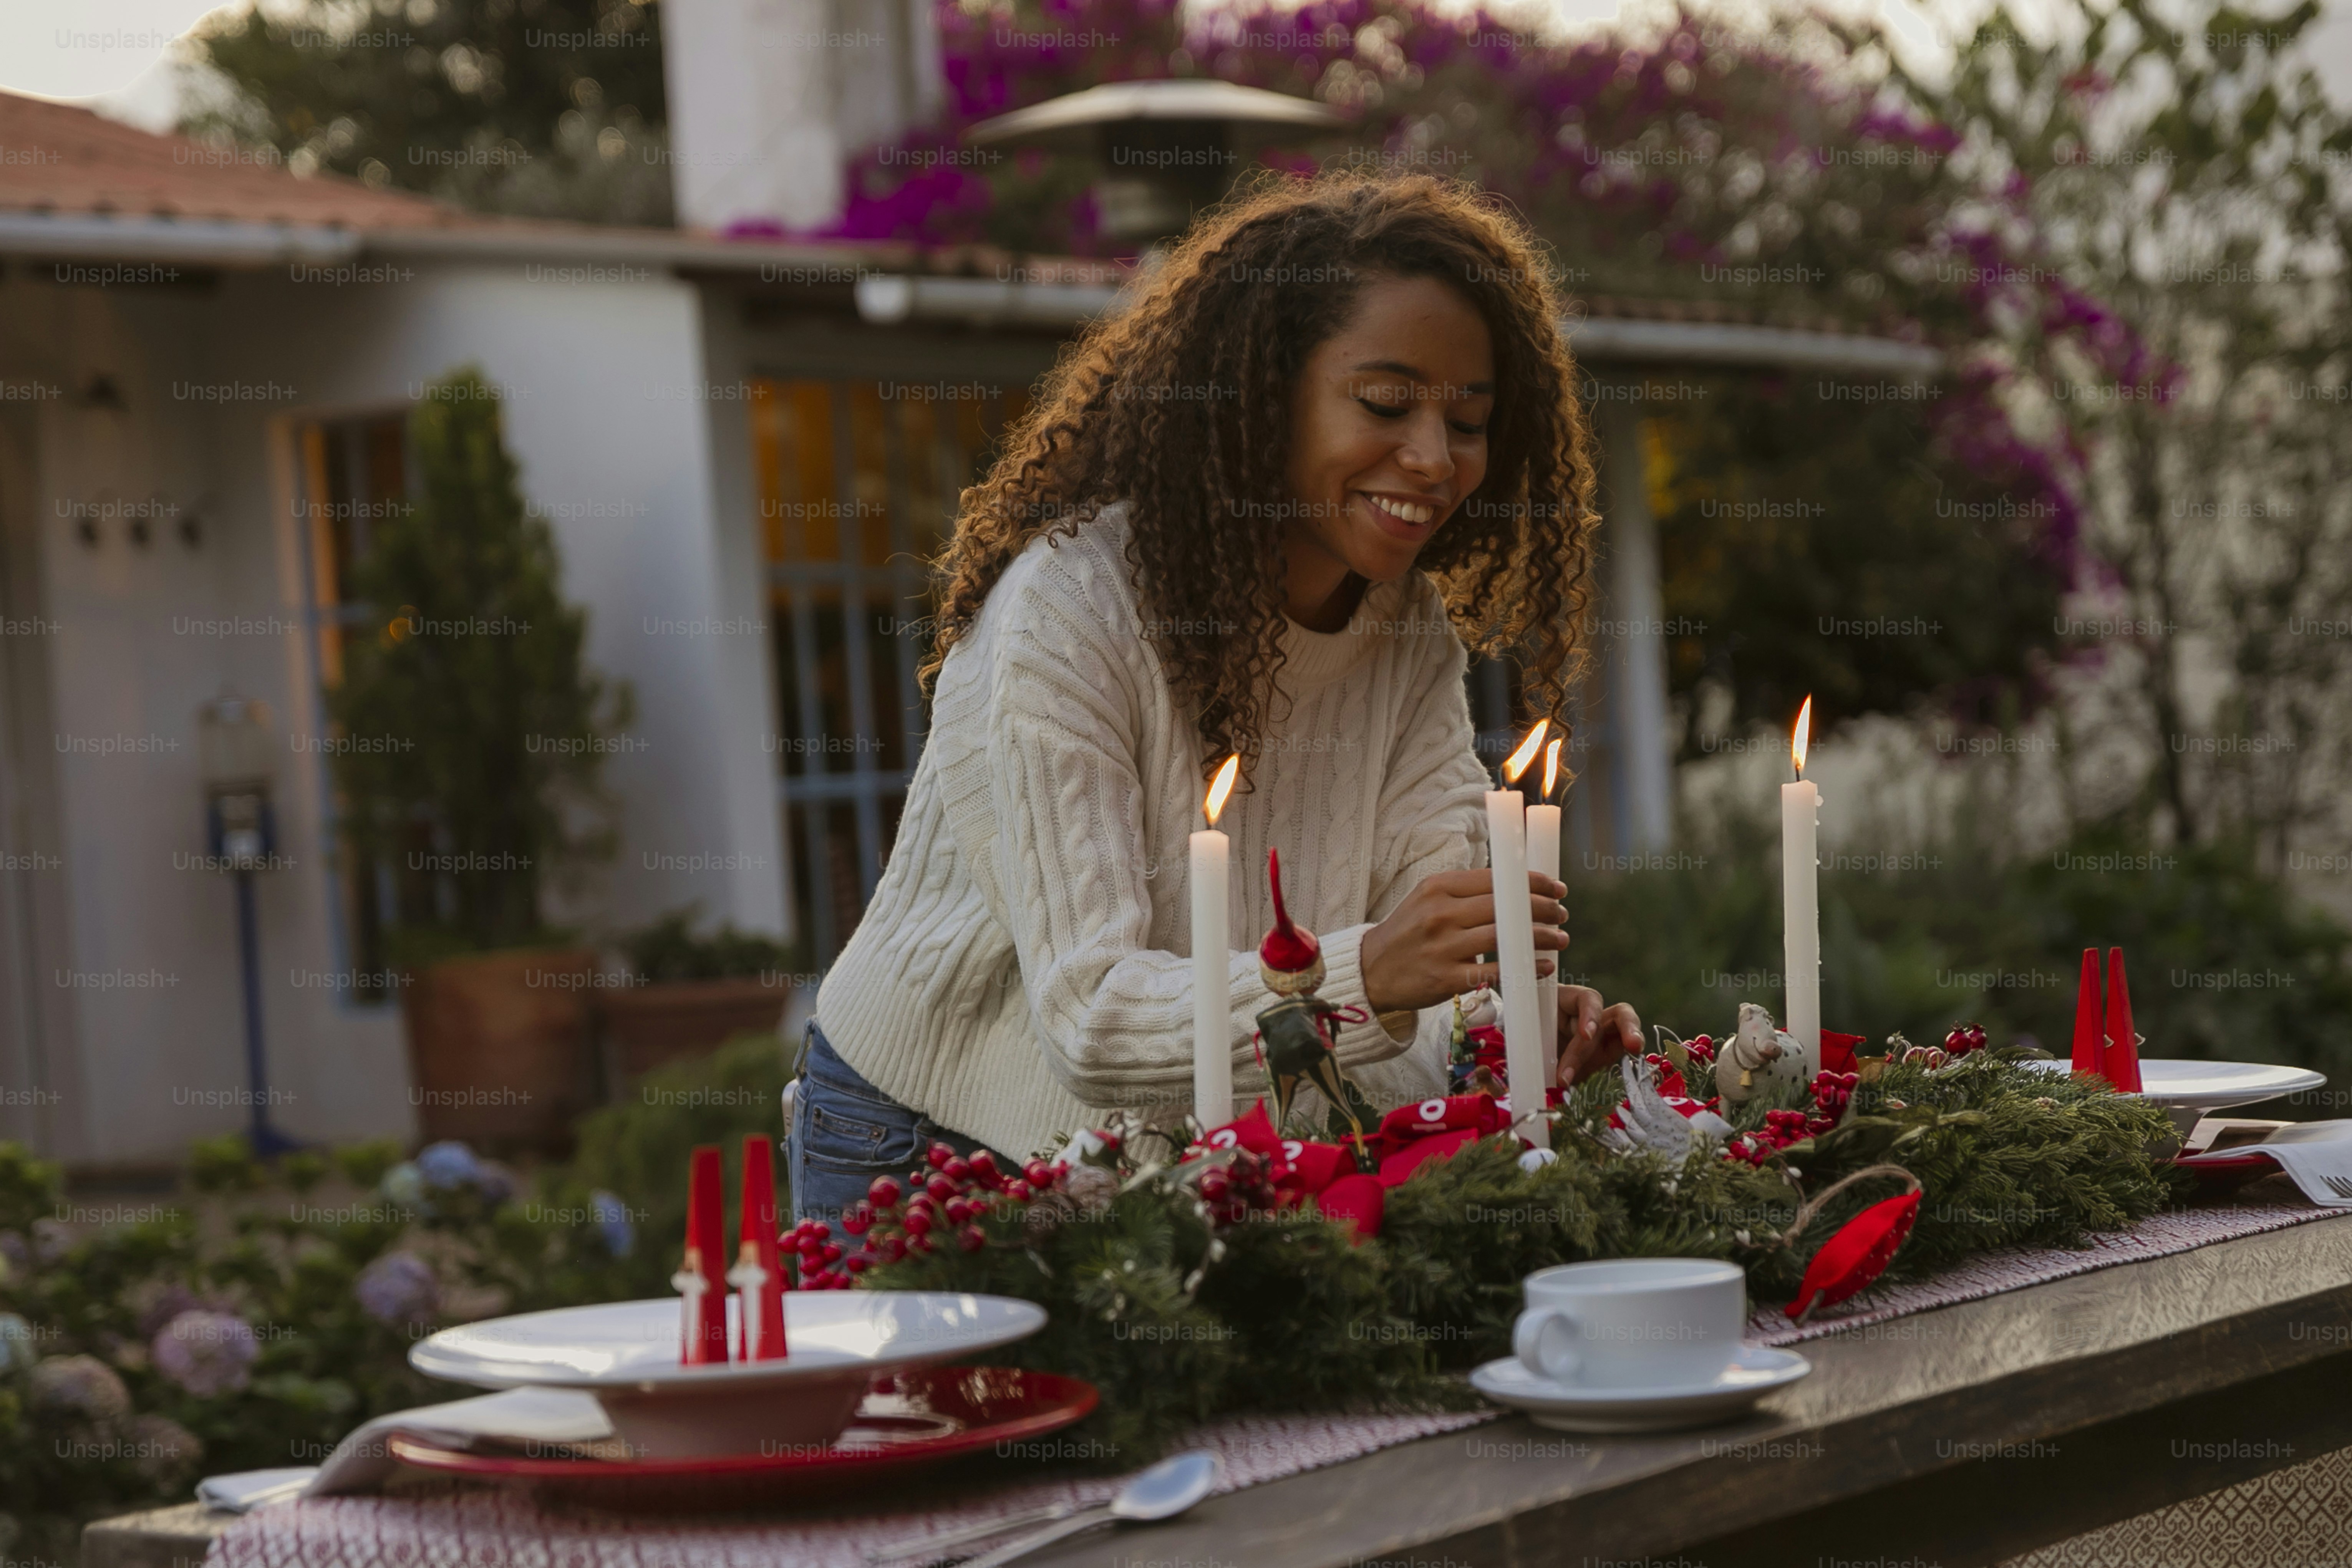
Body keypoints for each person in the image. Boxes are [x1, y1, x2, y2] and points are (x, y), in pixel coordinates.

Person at [791, 172, 1644, 1222]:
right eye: (1383, 403)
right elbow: (1094, 1017)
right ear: (1261, 396)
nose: (1431, 456)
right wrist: (1368, 972)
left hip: (1193, 1146)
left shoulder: (1402, 625)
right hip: (933, 1136)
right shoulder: (1069, 611)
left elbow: (1437, 909)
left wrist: (1506, 1014)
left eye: (1467, 419)